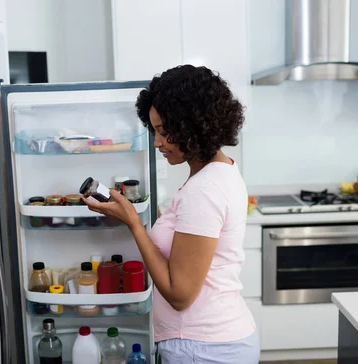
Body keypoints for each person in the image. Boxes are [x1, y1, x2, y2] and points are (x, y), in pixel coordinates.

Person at [83, 65, 259, 364]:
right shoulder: (219, 171)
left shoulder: (204, 189)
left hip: (203, 348)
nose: (156, 142)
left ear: (194, 125)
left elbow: (180, 295)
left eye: (165, 132)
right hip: (211, 340)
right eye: (155, 131)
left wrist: (134, 223)